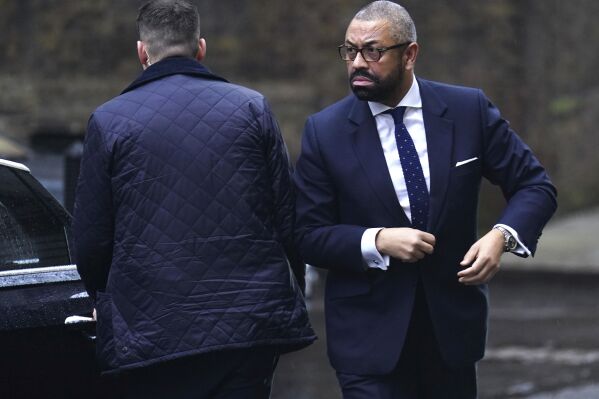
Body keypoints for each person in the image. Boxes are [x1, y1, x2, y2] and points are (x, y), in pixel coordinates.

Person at [293, 1, 557, 398]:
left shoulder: (469, 110)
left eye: (373, 51)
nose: (357, 63)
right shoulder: (324, 132)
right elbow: (307, 233)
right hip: (367, 344)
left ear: (410, 54)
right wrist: (377, 240)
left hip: (451, 336)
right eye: (350, 51)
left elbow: (535, 185)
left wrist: (501, 236)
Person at [72, 1, 315, 398]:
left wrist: (105, 299)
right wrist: (291, 293)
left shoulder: (109, 120)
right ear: (200, 48)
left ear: (141, 52)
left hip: (151, 327)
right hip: (246, 327)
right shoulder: (252, 107)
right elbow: (287, 218)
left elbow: (92, 238)